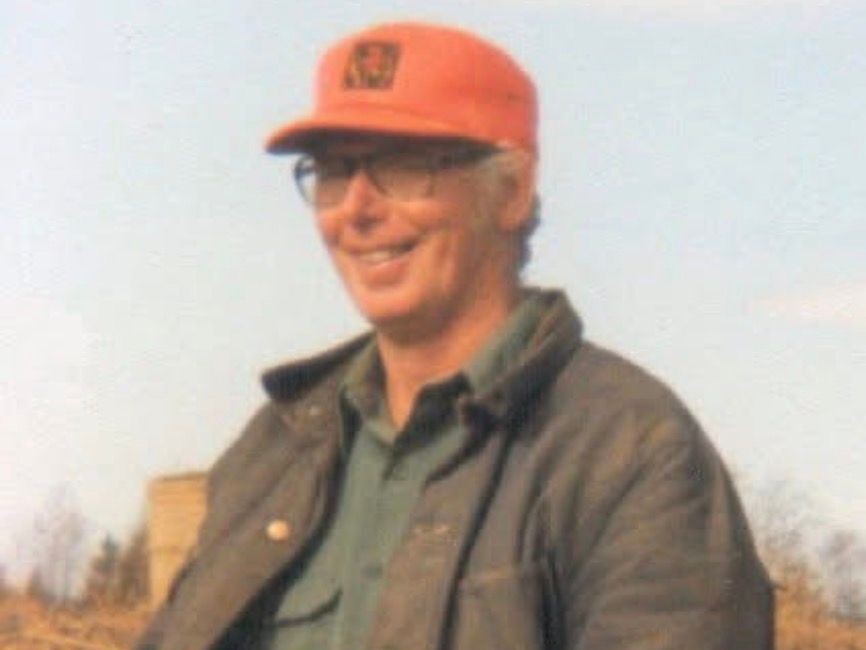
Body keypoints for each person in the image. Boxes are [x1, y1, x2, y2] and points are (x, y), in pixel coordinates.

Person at [137, 21, 774, 650]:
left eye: (403, 167)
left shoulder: (629, 450)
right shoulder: (273, 453)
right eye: (332, 172)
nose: (356, 209)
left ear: (512, 192)